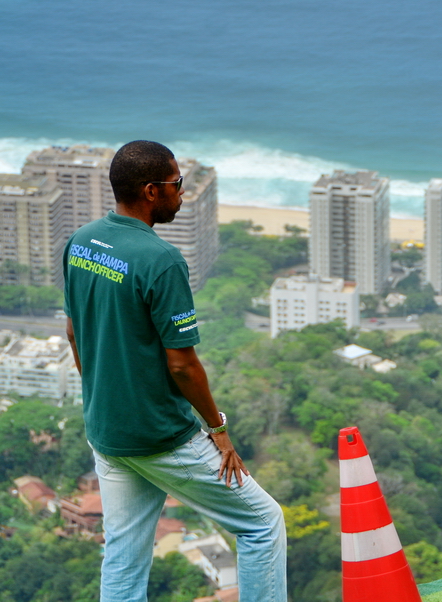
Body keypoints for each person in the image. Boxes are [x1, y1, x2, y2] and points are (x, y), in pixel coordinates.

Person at [63, 141, 286, 601]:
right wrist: (217, 428)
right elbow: (182, 364)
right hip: (160, 435)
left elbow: (73, 333)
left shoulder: (80, 242)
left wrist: (105, 397)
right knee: (263, 523)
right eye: (177, 184)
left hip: (107, 432)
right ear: (151, 191)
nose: (182, 193)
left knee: (124, 556)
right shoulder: (161, 261)